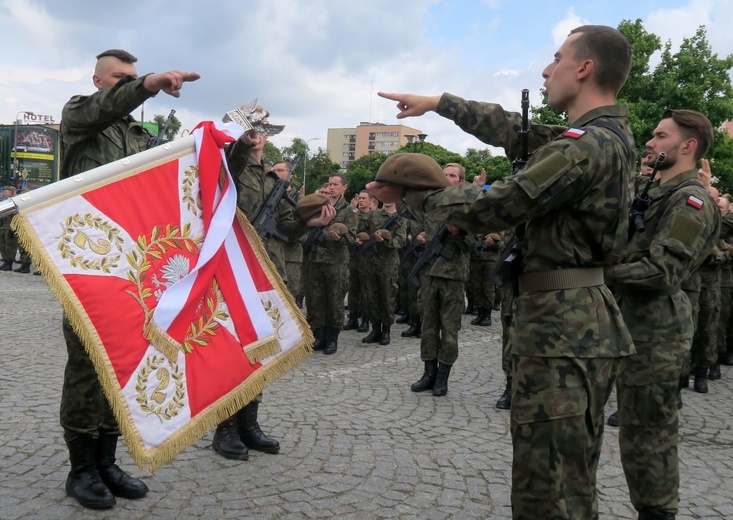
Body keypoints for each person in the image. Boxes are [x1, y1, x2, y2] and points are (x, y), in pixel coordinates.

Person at [370, 25, 635, 520]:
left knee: (549, 487)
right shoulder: (598, 138)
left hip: (563, 323)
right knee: (567, 476)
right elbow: (516, 130)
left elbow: (503, 203)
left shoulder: (587, 146)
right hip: (569, 317)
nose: (545, 69)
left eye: (556, 58)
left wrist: (419, 196)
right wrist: (439, 103)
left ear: (585, 69)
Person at [59, 49, 200, 509]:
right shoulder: (81, 113)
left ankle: (107, 458)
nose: (127, 85)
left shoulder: (141, 136)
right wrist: (148, 84)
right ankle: (81, 468)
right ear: (99, 81)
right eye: (120, 78)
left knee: (124, 360)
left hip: (133, 266)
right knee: (87, 365)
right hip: (88, 262)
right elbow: (108, 107)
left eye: (132, 79)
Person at [605, 109, 720, 519]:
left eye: (660, 135)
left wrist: (597, 272)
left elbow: (662, 270)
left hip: (655, 332)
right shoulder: (654, 191)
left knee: (647, 435)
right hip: (622, 321)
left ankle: (657, 513)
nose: (651, 143)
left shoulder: (691, 201)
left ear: (687, 146)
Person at [216, 126, 334, 461]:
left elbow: (287, 231)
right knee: (233, 352)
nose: (258, 136)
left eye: (261, 133)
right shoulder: (229, 165)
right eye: (250, 132)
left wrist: (310, 223)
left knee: (259, 350)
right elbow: (229, 165)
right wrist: (240, 143)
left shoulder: (273, 178)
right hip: (235, 269)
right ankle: (224, 427)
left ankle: (248, 422)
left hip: (267, 274)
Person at [400, 162, 475, 396]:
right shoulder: (432, 206)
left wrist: (457, 232)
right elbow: (404, 208)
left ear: (460, 181)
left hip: (453, 276)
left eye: (452, 175)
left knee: (449, 329)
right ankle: (428, 372)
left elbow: (473, 245)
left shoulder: (467, 208)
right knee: (428, 326)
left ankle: (443, 376)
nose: (447, 178)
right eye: (444, 174)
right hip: (429, 273)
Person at [307, 174, 357, 355]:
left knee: (335, 300)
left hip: (336, 263)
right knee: (317, 299)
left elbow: (352, 238)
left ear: (344, 187)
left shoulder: (349, 210)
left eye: (336, 184)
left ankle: (332, 337)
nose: (332, 187)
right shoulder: (321, 207)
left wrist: (339, 239)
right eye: (330, 184)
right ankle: (319, 335)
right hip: (317, 260)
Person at [0, 185, 19, 271]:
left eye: (6, 192)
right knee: (3, 245)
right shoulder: (4, 201)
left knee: (10, 245)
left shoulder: (14, 201)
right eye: (4, 192)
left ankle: (9, 263)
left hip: (10, 226)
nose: (4, 193)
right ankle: (6, 261)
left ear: (11, 193)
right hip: (4, 226)